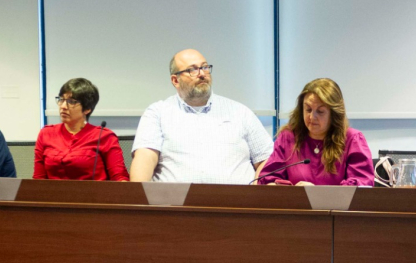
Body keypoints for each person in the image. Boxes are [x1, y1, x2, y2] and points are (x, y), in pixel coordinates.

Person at [130, 48, 273, 184]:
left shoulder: (240, 112)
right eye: (192, 70)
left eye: (205, 67)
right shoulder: (158, 113)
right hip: (176, 205)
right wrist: (140, 200)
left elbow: (267, 159)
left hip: (236, 204)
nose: (202, 74)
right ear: (175, 80)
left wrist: (255, 191)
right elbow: (145, 159)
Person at [257, 78, 374, 186]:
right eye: (308, 109)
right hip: (296, 207)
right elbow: (268, 179)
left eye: (320, 111)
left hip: (335, 208)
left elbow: (361, 187)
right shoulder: (288, 137)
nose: (312, 117)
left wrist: (317, 194)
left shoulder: (352, 139)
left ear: (334, 113)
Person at [33, 78, 128, 181]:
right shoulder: (46, 134)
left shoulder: (105, 136)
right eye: (61, 100)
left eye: (71, 102)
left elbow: (120, 178)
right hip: (52, 196)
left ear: (87, 109)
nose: (63, 106)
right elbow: (38, 179)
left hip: (93, 196)